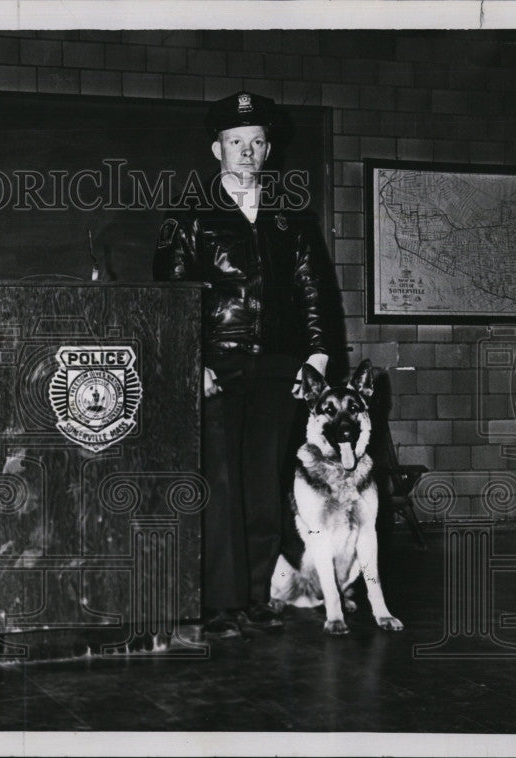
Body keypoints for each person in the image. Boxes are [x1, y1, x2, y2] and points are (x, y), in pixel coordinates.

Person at [154, 91, 329, 638]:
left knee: (263, 481)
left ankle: (255, 597)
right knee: (221, 486)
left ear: (267, 149)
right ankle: (219, 605)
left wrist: (318, 355)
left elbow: (312, 290)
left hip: (279, 368)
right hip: (217, 367)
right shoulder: (187, 216)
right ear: (217, 149)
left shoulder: (290, 218)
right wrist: (194, 361)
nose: (246, 152)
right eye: (236, 143)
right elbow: (172, 296)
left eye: (256, 143)